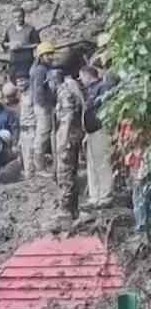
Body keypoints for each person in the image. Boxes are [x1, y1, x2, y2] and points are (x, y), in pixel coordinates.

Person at [81, 66, 115, 209]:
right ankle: (94, 196)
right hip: (90, 132)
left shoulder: (103, 87)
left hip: (100, 130)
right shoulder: (89, 91)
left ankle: (105, 196)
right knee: (92, 165)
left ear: (88, 75)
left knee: (103, 163)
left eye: (81, 77)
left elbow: (104, 106)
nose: (81, 81)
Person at [55, 72, 86, 222]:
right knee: (71, 173)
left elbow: (68, 116)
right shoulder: (71, 90)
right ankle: (73, 210)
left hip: (68, 137)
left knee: (65, 173)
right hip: (73, 135)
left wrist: (63, 141)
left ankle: (66, 210)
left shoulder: (64, 91)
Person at [29, 42, 58, 176]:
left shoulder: (41, 69)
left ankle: (41, 165)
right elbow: (39, 90)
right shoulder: (40, 70)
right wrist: (45, 105)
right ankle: (39, 168)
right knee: (42, 135)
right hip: (43, 107)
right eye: (48, 55)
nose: (51, 57)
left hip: (42, 105)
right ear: (41, 56)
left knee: (45, 134)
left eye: (52, 54)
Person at [4, 3, 41, 83]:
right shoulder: (10, 29)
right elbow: (4, 43)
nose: (17, 19)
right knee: (14, 81)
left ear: (24, 16)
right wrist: (11, 44)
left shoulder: (30, 29)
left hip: (26, 61)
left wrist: (23, 46)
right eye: (15, 17)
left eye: (19, 17)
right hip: (14, 60)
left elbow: (37, 44)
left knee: (26, 81)